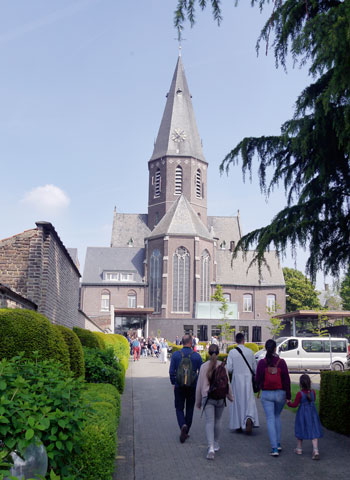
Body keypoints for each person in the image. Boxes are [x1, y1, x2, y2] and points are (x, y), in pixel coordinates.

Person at [195, 344, 233, 460]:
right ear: (218, 353)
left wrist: (198, 402)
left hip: (208, 398)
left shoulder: (203, 367)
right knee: (218, 421)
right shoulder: (223, 366)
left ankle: (210, 447)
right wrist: (230, 397)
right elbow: (227, 384)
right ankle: (216, 443)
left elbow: (199, 386)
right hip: (220, 398)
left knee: (209, 422)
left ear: (208, 353)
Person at [255, 338, 291, 456]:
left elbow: (257, 379)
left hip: (267, 394)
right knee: (277, 417)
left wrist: (260, 386)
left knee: (270, 419)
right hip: (280, 394)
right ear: (276, 348)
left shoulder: (261, 363)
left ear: (266, 348)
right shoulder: (282, 362)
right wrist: (288, 395)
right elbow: (286, 379)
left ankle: (274, 448)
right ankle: (279, 443)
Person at [169, 334, 202, 443]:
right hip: (192, 387)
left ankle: (182, 425)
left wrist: (174, 383)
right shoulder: (197, 356)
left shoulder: (175, 355)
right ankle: (186, 430)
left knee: (179, 408)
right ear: (191, 342)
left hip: (179, 386)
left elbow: (171, 371)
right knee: (190, 409)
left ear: (182, 342)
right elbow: (201, 373)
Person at [226, 332, 259, 434]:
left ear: (236, 341)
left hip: (237, 379)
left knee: (237, 402)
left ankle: (239, 424)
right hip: (247, 379)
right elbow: (254, 368)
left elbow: (229, 369)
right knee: (249, 401)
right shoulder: (250, 352)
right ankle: (249, 417)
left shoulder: (232, 353)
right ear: (244, 340)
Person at [287, 374, 323, 460]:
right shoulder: (313, 392)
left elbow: (295, 405)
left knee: (301, 428)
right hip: (312, 414)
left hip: (302, 414)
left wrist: (288, 402)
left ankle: (299, 448)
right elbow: (312, 400)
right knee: (314, 430)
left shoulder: (300, 394)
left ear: (300, 384)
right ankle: (316, 450)